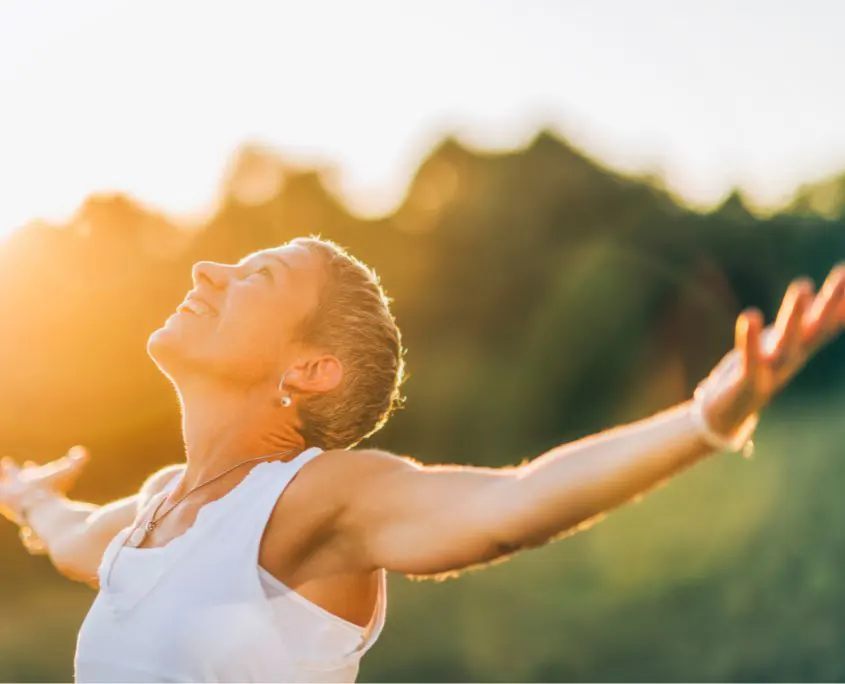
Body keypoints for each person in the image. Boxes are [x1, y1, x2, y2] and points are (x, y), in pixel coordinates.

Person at [0, 235, 842, 683]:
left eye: (255, 277)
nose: (208, 268)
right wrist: (23, 496)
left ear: (309, 370)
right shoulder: (155, 510)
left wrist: (703, 420)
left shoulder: (318, 497)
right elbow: (76, 535)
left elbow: (513, 505)